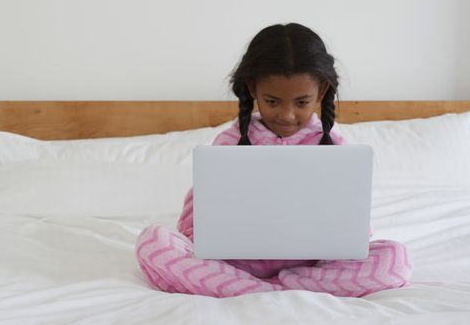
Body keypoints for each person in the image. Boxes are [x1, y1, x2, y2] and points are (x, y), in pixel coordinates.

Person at [135, 23, 412, 298]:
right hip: (233, 264)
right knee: (152, 242)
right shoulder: (228, 144)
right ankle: (272, 288)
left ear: (322, 91)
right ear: (253, 88)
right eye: (273, 101)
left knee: (396, 260)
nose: (287, 115)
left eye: (302, 102)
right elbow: (193, 224)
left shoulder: (336, 147)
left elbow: (355, 231)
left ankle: (248, 289)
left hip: (313, 267)